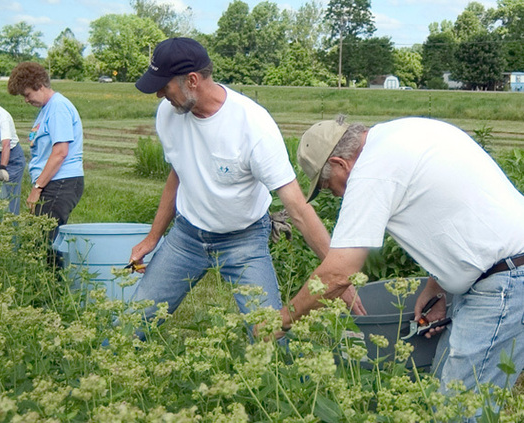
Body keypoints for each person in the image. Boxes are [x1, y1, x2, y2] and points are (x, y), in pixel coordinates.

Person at [279, 115, 524, 412]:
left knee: (458, 409)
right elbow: (453, 210)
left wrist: (281, 322)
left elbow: (339, 272)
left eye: (333, 186)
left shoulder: (371, 170)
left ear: (341, 164)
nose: (340, 195)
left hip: (506, 281)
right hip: (500, 271)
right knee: (446, 389)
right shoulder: (403, 134)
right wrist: (439, 286)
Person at [128, 37, 363, 338]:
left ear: (192, 80)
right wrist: (152, 237)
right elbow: (178, 173)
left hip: (244, 242)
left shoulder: (253, 126)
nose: (159, 94)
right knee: (131, 324)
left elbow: (298, 209)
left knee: (269, 335)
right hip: (186, 237)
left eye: (165, 86)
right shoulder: (168, 114)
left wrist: (338, 274)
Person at [7, 62, 84, 241]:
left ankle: (55, 270)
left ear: (40, 86)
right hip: (53, 181)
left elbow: (60, 152)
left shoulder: (58, 108)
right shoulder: (46, 109)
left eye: (27, 94)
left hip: (61, 181)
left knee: (44, 243)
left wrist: (37, 187)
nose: (26, 100)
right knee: (44, 239)